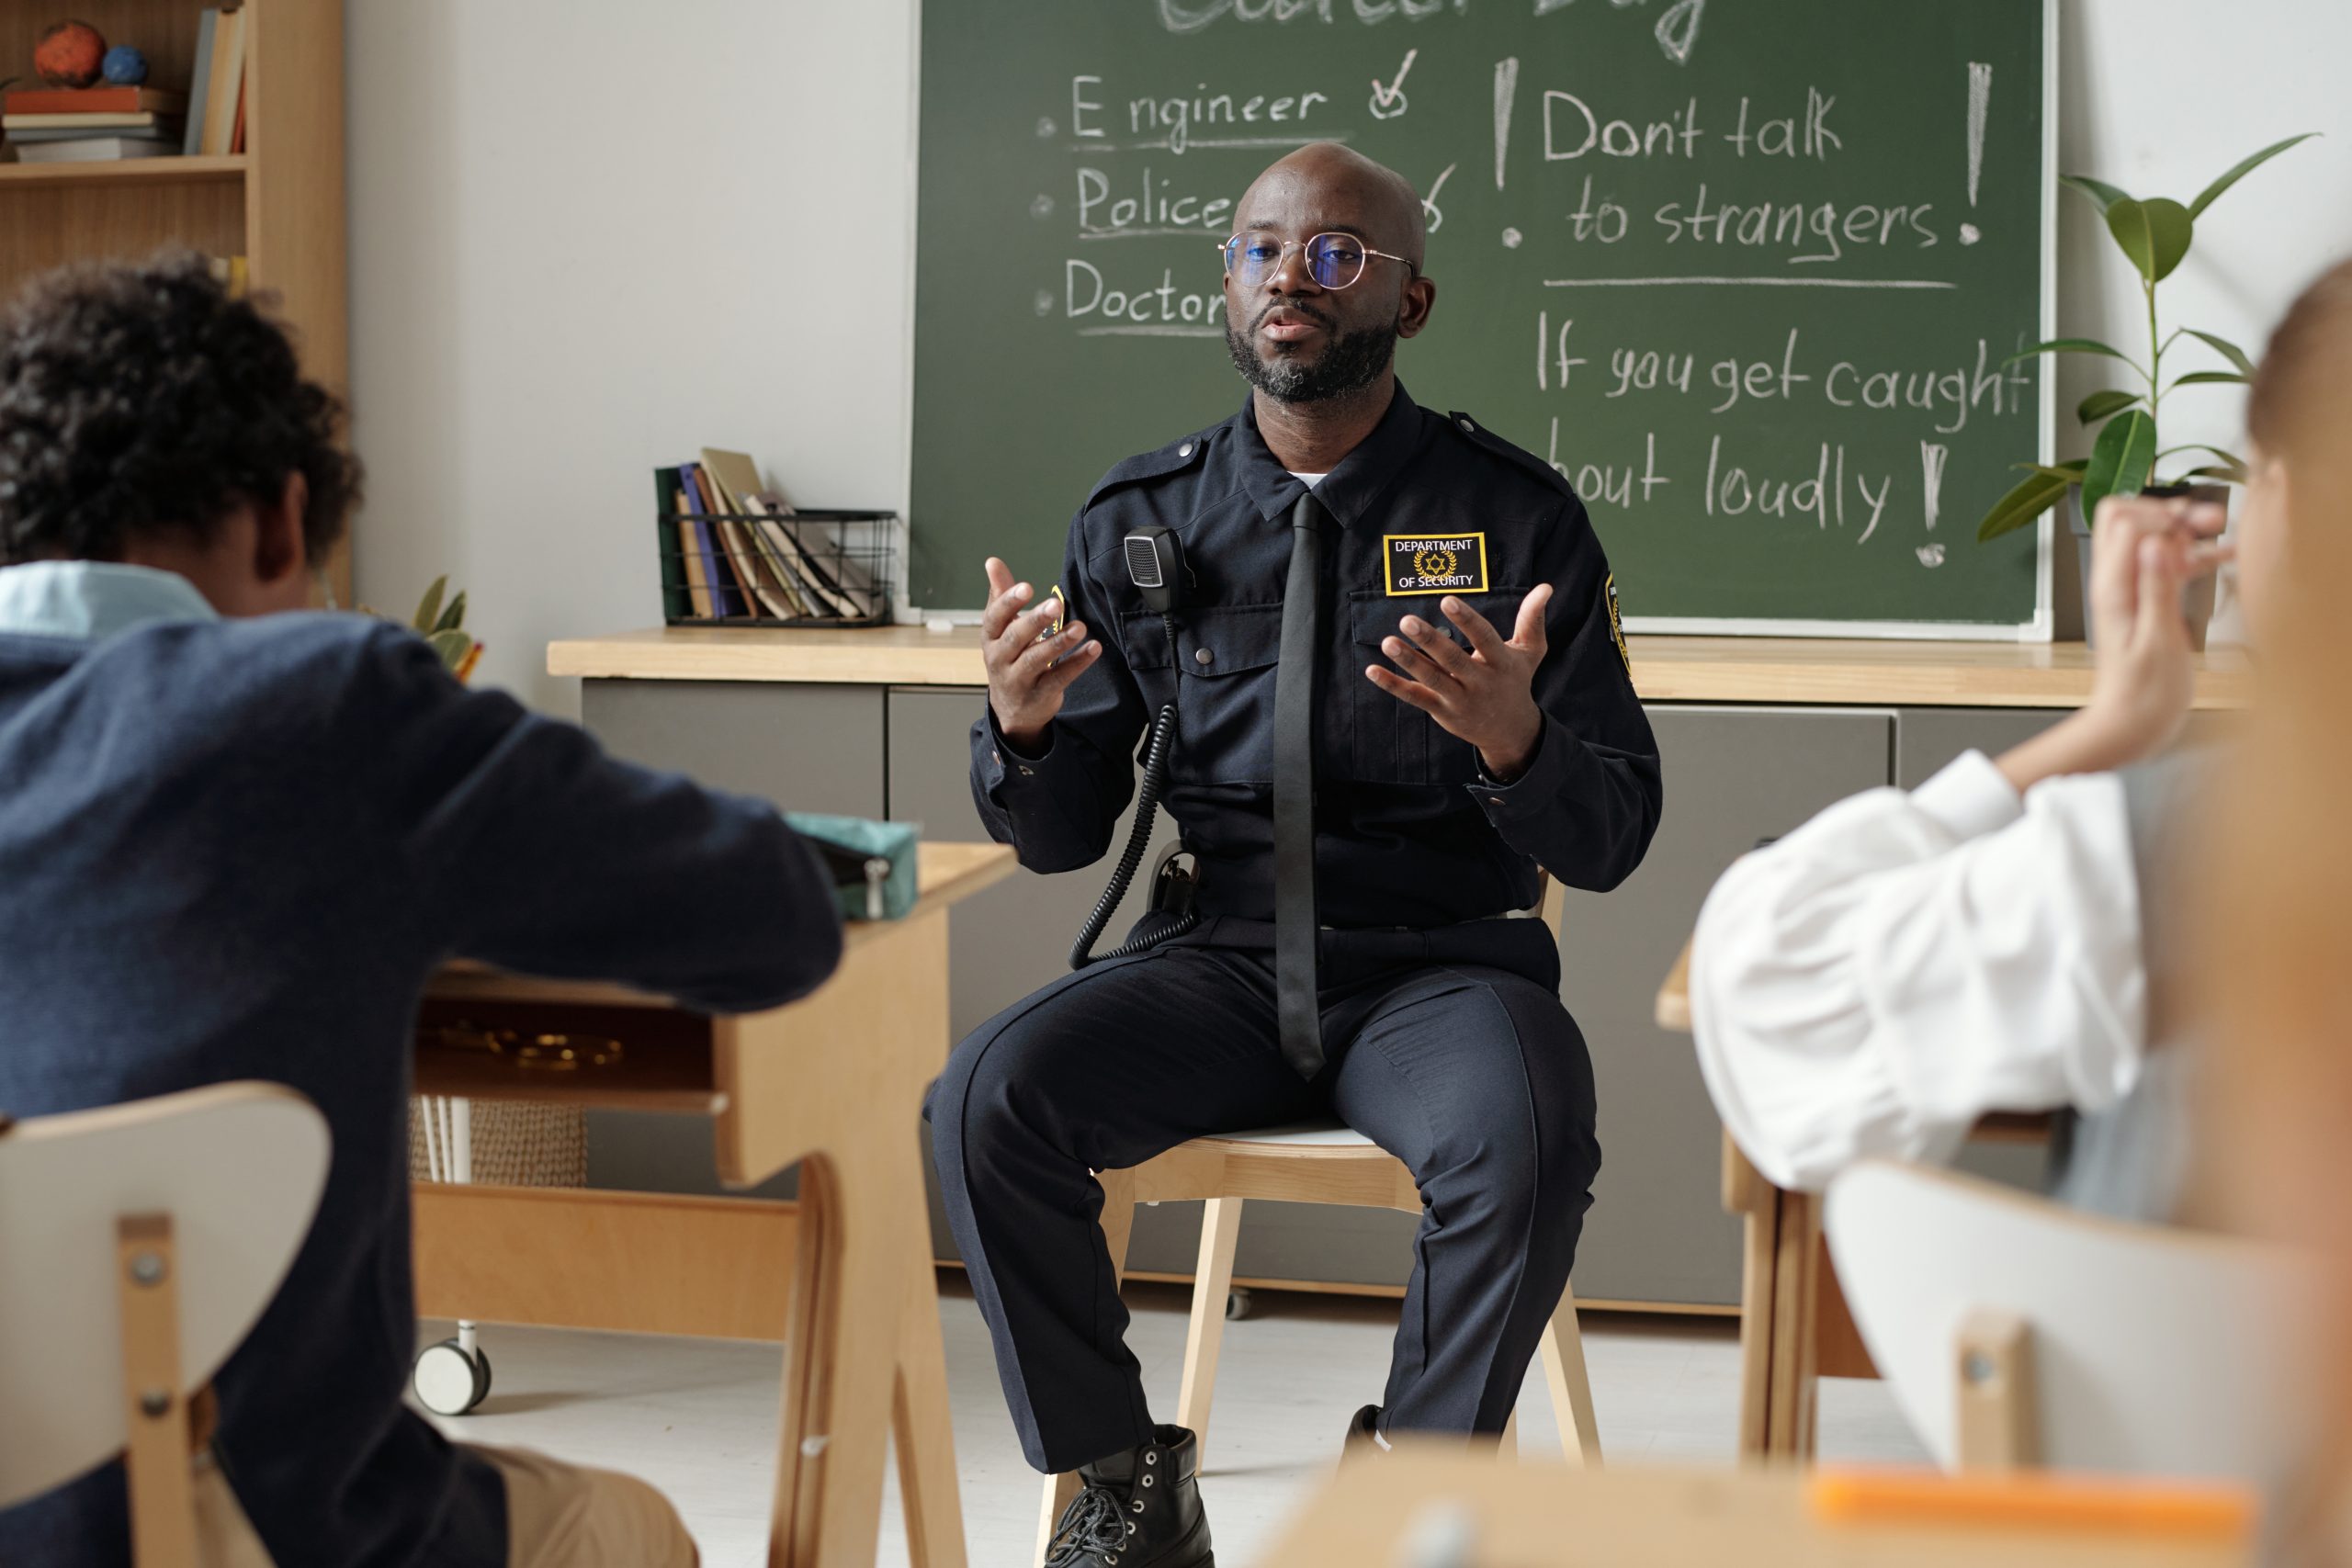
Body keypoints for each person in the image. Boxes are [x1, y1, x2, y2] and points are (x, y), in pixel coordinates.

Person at [0, 254, 848, 1568]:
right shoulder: (315, 701)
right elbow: (775, 914)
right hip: (224, 1520)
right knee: (636, 1531)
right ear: (286, 525)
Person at [929, 143, 1661, 1567]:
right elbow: (1063, 835)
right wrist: (1020, 733)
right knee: (982, 1100)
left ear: (1413, 298)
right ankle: (1128, 1480)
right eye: (1262, 249)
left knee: (1526, 1132)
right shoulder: (1141, 517)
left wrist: (1521, 743)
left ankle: (1402, 1497)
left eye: (1335, 254)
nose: (1290, 279)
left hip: (1438, 969)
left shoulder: (1517, 519)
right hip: (1217, 961)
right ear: (1229, 277)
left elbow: (1617, 830)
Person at [1687, 258, 2352, 1217]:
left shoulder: (2192, 846)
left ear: (2282, 504)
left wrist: (2107, 730)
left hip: (2190, 1370)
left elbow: (1771, 968)